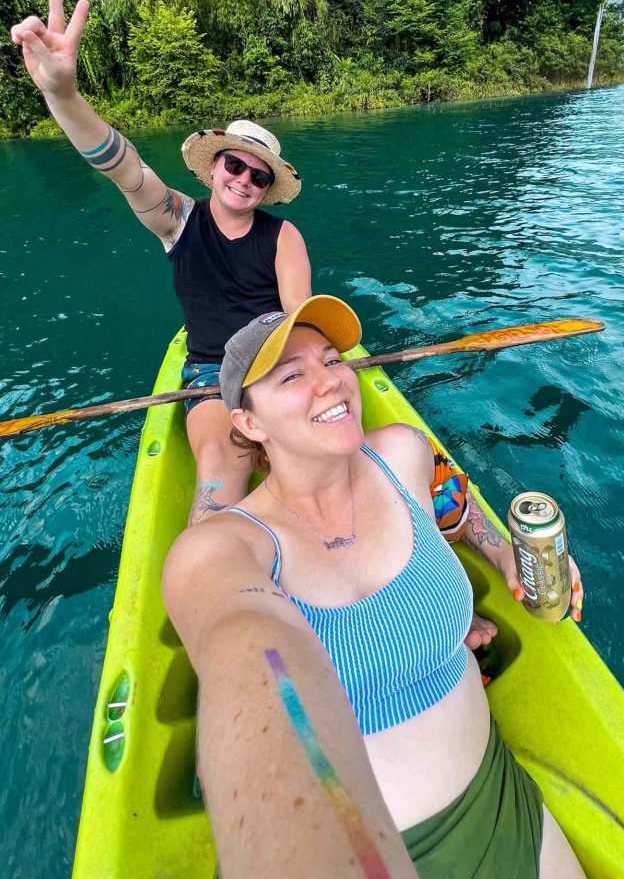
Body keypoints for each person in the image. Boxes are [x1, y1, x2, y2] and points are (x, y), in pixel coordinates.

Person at [162, 295, 586, 878]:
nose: (330, 381)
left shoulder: (402, 453)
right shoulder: (222, 550)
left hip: (503, 806)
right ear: (249, 423)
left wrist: (501, 552)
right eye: (292, 376)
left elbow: (453, 506)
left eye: (332, 360)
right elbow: (247, 657)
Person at [10, 0, 312, 523]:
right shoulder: (178, 219)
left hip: (275, 363)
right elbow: (123, 167)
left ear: (267, 189)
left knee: (331, 451)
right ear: (214, 166)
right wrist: (64, 96)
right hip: (210, 375)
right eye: (234, 165)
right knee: (223, 465)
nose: (243, 180)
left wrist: (292, 382)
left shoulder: (283, 236)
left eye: (258, 176)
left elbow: (300, 320)